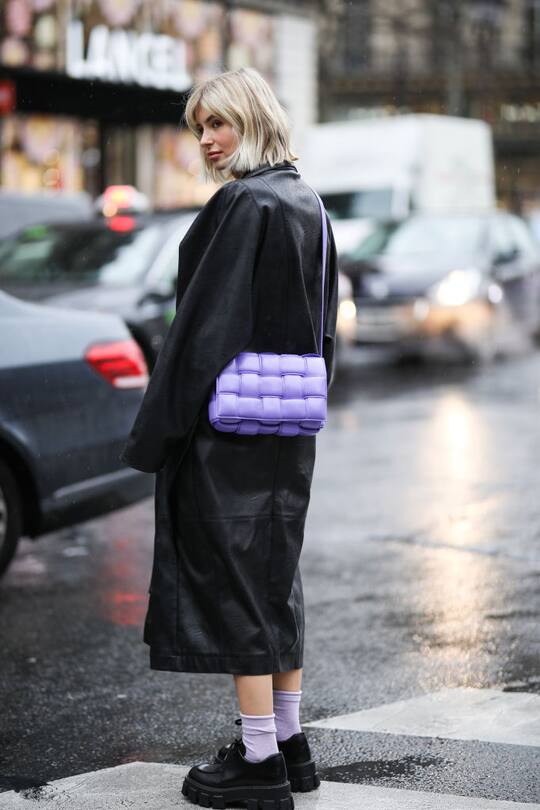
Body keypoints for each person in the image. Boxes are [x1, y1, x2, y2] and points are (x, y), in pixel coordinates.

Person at [120, 66, 339, 809]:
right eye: (199, 128)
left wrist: (156, 433)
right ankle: (290, 742)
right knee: (274, 582)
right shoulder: (307, 202)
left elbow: (201, 335)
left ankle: (257, 760)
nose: (208, 141)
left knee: (239, 586)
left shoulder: (244, 203)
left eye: (219, 123)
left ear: (254, 118)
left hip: (229, 429)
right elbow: (324, 329)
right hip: (288, 424)